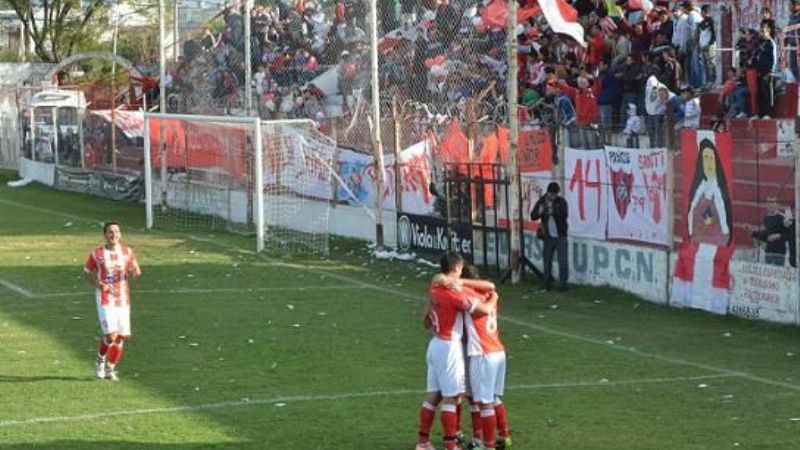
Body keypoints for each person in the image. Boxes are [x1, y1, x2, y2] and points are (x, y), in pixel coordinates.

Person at [416, 252, 496, 450]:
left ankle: (423, 442)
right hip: (449, 346)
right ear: (458, 269)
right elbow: (484, 310)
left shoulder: (435, 287)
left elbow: (426, 320)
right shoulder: (454, 295)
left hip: (434, 345)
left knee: (433, 396)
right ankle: (451, 447)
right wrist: (494, 298)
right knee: (452, 398)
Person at [83, 221, 141, 381]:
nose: (113, 235)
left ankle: (110, 369)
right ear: (105, 235)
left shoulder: (128, 252)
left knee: (121, 337)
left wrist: (136, 272)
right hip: (106, 298)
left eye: (116, 232)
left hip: (123, 299)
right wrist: (98, 284)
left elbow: (135, 269)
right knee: (111, 335)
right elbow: (87, 272)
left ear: (120, 234)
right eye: (110, 232)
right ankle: (100, 359)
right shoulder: (97, 254)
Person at [461, 265, 511, 450]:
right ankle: (504, 436)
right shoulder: (489, 294)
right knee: (493, 398)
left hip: (483, 353)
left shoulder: (468, 294)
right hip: (498, 351)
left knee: (483, 402)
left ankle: (487, 445)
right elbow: (491, 286)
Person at [687, 138, 733, 247]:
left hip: (717, 241)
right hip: (698, 239)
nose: (709, 163)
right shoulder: (697, 189)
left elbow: (725, 226)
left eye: (711, 158)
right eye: (705, 158)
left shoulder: (720, 191)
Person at [530, 182, 569, 291]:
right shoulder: (542, 201)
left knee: (563, 260)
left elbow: (564, 214)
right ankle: (546, 282)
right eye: (551, 194)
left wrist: (553, 211)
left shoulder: (561, 202)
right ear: (548, 193)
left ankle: (563, 284)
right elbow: (533, 216)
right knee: (547, 260)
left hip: (561, 235)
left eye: (555, 195)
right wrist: (540, 211)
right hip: (548, 236)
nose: (553, 197)